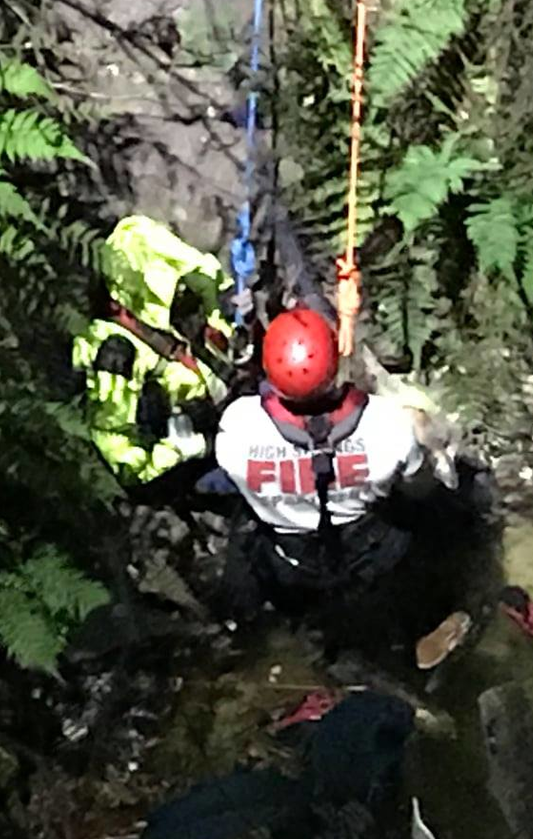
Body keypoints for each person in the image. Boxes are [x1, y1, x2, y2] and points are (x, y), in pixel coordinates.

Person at [213, 307, 466, 663]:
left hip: (288, 559)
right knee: (430, 512)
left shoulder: (237, 428)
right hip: (367, 551)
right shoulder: (389, 424)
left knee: (244, 526)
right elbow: (419, 486)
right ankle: (428, 620)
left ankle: (242, 630)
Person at [70, 215, 236, 496]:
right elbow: (125, 461)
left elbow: (208, 283)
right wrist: (183, 449)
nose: (183, 297)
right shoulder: (114, 354)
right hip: (187, 470)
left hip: (233, 422)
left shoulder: (172, 315)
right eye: (174, 294)